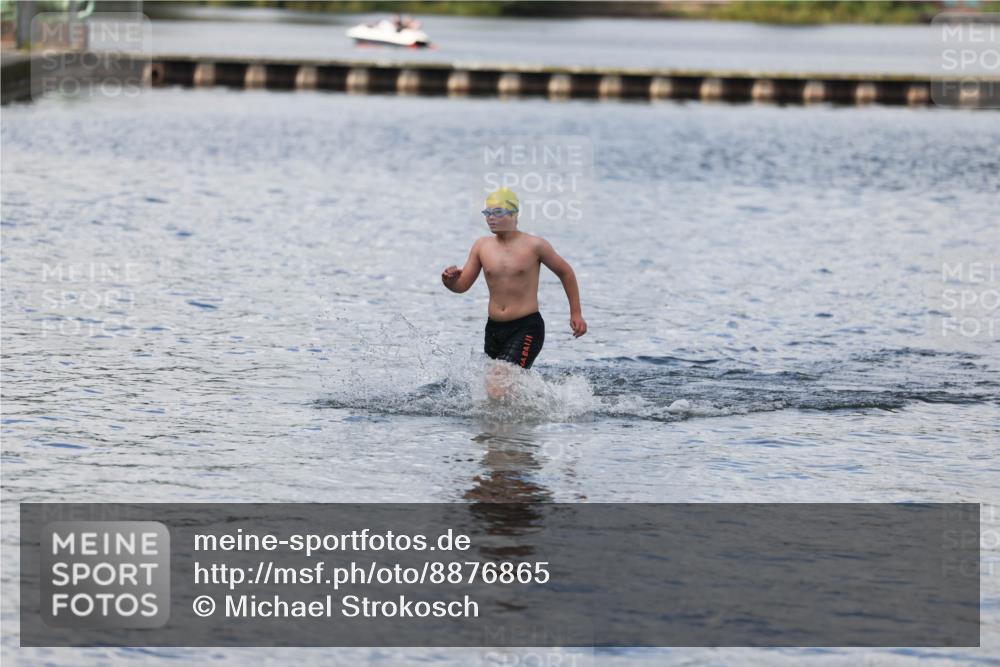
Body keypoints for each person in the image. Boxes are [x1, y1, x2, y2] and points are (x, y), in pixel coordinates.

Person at [441, 188, 587, 399]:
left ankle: (512, 427)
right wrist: (449, 282)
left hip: (526, 327)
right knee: (496, 391)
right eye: (487, 213)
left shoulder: (535, 245)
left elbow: (566, 272)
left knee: (497, 385)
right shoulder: (482, 246)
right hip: (493, 329)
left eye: (497, 212)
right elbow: (462, 286)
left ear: (514, 214)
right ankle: (518, 424)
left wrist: (576, 313)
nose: (491, 218)